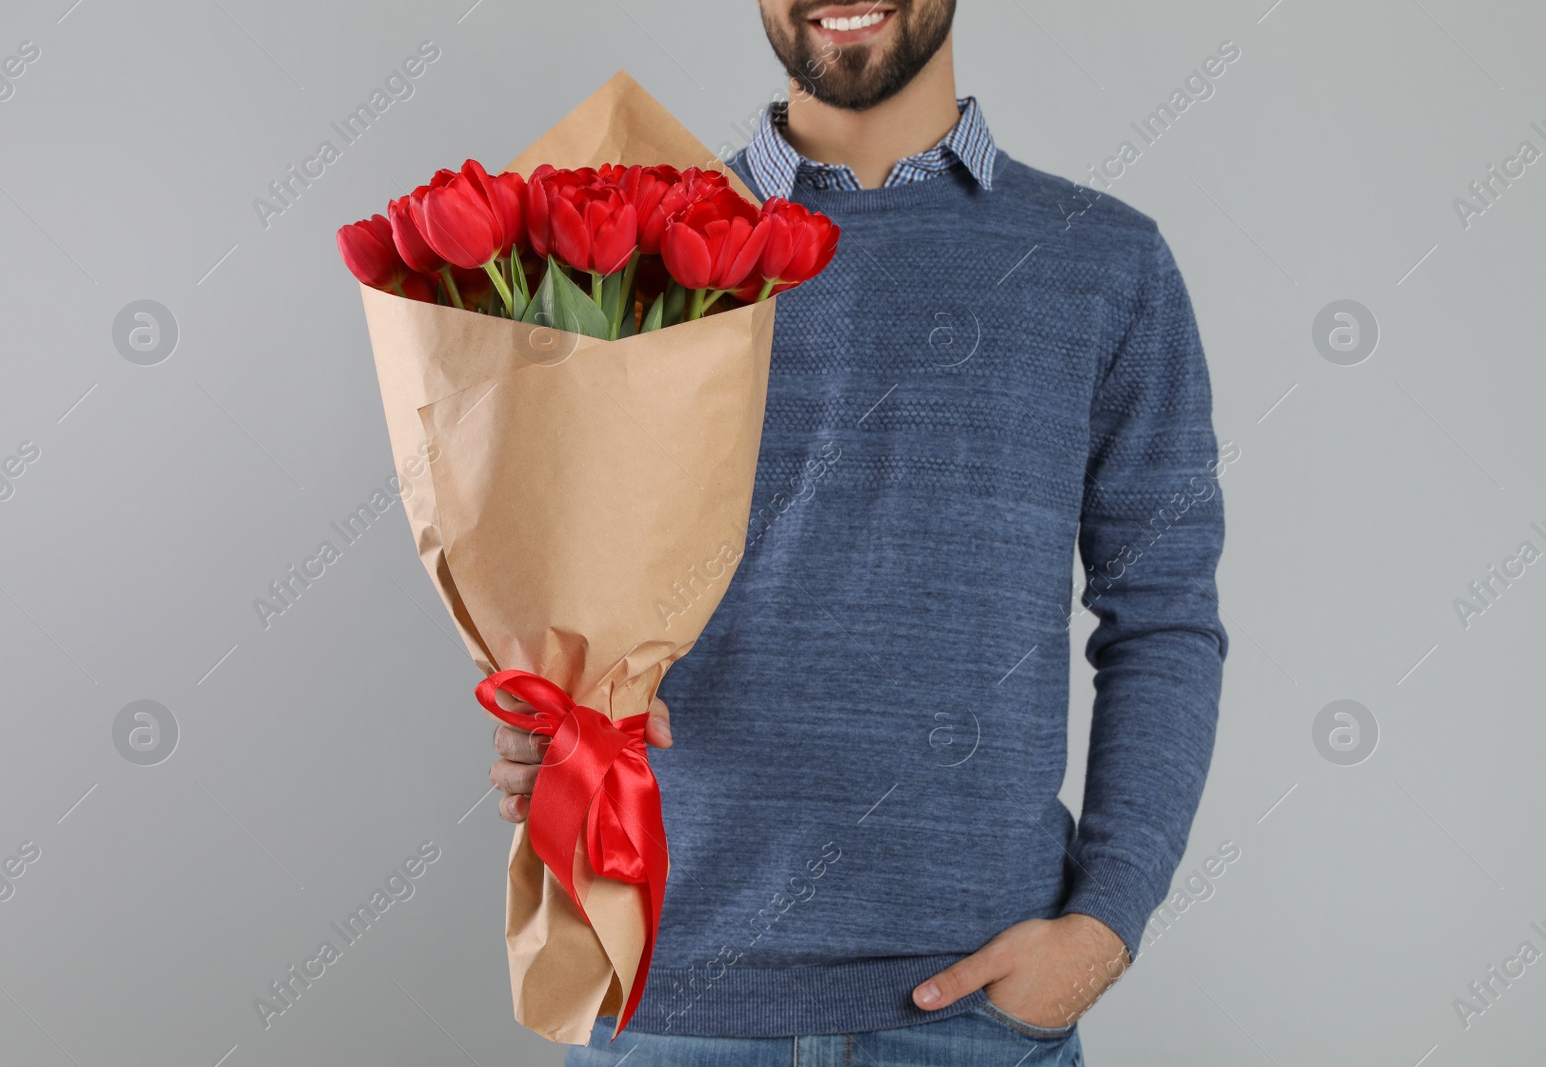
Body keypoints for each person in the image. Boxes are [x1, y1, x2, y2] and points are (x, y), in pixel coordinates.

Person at [491, 2, 1230, 1063]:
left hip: (973, 1016)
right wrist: (544, 715)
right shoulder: (621, 257)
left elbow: (1163, 614)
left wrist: (1105, 920)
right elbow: (562, 581)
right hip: (663, 1002)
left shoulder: (1103, 264)